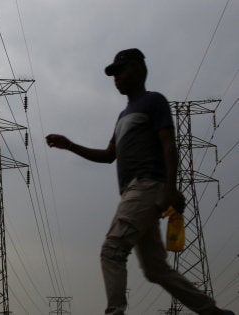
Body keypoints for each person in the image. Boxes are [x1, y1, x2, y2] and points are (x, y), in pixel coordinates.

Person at [45, 48, 234, 315]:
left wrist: (171, 186)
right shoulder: (123, 117)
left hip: (146, 186)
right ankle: (213, 312)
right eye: (113, 74)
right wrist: (70, 145)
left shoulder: (153, 102)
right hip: (134, 193)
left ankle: (115, 312)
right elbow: (109, 155)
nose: (116, 78)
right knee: (156, 270)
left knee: (112, 249)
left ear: (137, 69)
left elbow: (169, 145)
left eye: (120, 71)